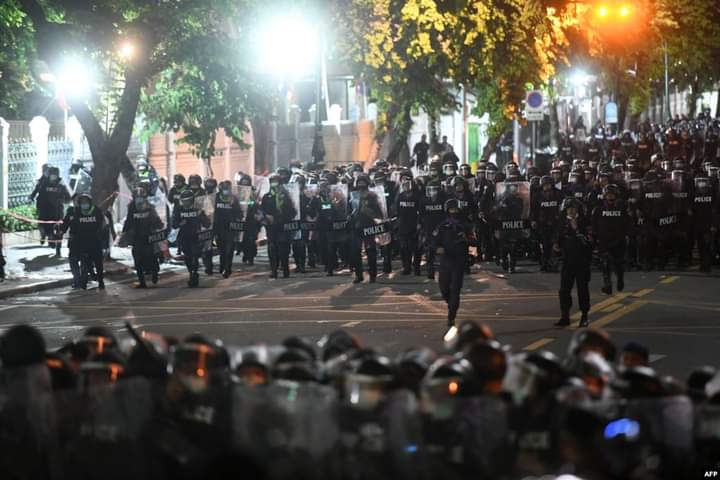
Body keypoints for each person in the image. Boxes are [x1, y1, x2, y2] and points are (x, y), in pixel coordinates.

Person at [433, 198, 470, 338]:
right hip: (445, 260)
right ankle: (451, 303)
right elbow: (434, 240)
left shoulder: (464, 225)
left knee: (455, 288)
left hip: (458, 261)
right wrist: (437, 248)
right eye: (451, 209)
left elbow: (473, 239)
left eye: (455, 209)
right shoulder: (442, 225)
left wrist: (465, 238)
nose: (453, 211)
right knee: (444, 289)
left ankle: (451, 315)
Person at [554, 197, 592, 327]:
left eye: (573, 209)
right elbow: (557, 239)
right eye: (568, 209)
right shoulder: (562, 222)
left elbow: (590, 240)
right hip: (567, 260)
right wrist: (556, 247)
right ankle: (565, 316)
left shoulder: (584, 222)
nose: (571, 211)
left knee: (583, 289)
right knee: (564, 290)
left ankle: (584, 316)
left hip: (582, 260)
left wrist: (579, 232)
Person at [60, 193, 106, 290]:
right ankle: (79, 281)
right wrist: (61, 231)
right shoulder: (75, 212)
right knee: (77, 262)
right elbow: (67, 224)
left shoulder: (96, 211)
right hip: (78, 242)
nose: (83, 204)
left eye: (86, 202)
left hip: (94, 241)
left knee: (96, 263)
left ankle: (99, 281)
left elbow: (102, 225)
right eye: (81, 202)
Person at [122, 186, 164, 288]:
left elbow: (157, 222)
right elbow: (128, 221)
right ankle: (142, 282)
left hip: (149, 237)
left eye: (141, 197)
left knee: (152, 257)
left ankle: (154, 272)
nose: (139, 199)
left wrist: (158, 225)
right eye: (137, 197)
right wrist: (124, 233)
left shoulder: (150, 208)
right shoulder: (131, 208)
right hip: (137, 237)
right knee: (137, 259)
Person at [592, 184, 628, 295]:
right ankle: (607, 284)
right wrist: (595, 238)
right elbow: (594, 224)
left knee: (618, 264)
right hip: (604, 240)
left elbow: (628, 222)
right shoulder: (599, 209)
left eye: (612, 195)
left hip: (618, 239)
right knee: (605, 263)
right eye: (608, 195)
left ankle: (620, 279)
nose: (610, 197)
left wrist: (627, 235)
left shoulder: (622, 208)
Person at [260, 173, 297, 279]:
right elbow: (262, 210)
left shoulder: (286, 196)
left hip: (284, 226)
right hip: (272, 227)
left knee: (283, 249)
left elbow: (293, 211)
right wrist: (266, 216)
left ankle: (285, 269)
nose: (274, 184)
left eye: (276, 182)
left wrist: (286, 214)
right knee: (272, 249)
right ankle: (274, 270)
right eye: (272, 182)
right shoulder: (267, 197)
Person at [172, 189, 211, 287]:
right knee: (188, 257)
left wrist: (200, 217)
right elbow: (174, 224)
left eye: (188, 200)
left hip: (196, 236)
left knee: (195, 255)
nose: (185, 203)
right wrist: (180, 223)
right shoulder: (178, 210)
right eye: (184, 201)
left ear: (192, 200)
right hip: (184, 236)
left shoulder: (197, 210)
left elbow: (207, 223)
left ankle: (194, 272)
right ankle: (191, 273)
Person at [349, 173, 382, 283]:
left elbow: (378, 212)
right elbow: (348, 210)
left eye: (363, 182)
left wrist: (370, 213)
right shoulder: (353, 195)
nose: (361, 184)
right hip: (356, 227)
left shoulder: (372, 196)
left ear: (367, 183)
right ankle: (359, 275)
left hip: (368, 227)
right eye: (359, 182)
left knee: (370, 251)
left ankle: (373, 275)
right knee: (355, 252)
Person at [32, 166, 70, 256]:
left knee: (60, 229)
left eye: (55, 175)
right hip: (46, 210)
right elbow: (36, 191)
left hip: (58, 211)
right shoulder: (43, 184)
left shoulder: (61, 185)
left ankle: (58, 248)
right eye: (52, 174)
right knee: (45, 226)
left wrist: (65, 200)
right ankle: (48, 236)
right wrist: (32, 197)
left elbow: (68, 197)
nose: (54, 176)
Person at [393, 170, 421, 275]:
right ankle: (406, 267)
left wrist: (419, 223)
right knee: (404, 248)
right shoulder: (400, 196)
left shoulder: (417, 196)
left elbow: (420, 211)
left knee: (416, 248)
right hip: (403, 226)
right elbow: (397, 210)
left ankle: (416, 268)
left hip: (414, 225)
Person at [214, 180, 242, 278]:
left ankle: (227, 268)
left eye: (227, 189)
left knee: (229, 250)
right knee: (221, 250)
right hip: (219, 228)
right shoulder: (216, 198)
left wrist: (238, 218)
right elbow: (211, 211)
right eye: (224, 189)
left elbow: (239, 212)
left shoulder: (233, 199)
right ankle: (222, 266)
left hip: (231, 228)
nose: (226, 191)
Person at [420, 180, 446, 279]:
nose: (432, 192)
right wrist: (421, 226)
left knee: (442, 250)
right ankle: (430, 271)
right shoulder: (424, 200)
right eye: (430, 190)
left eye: (434, 190)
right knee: (429, 251)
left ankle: (443, 270)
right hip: (428, 229)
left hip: (441, 229)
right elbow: (421, 214)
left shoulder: (443, 200)